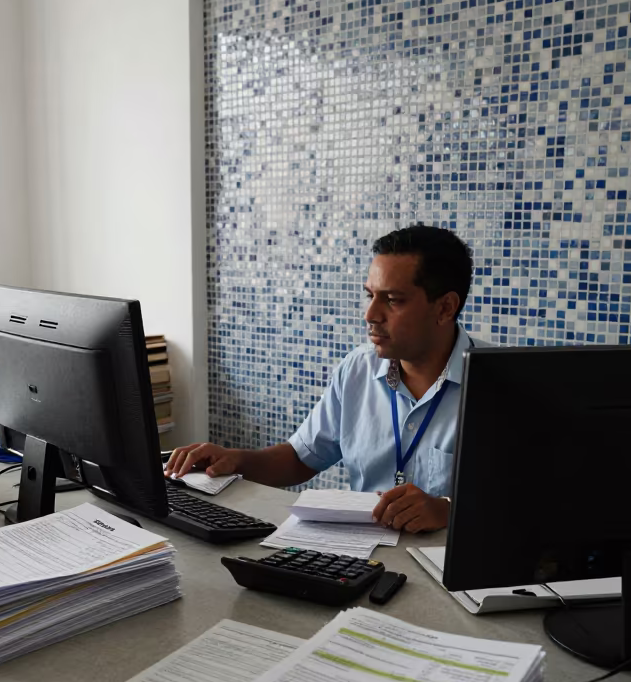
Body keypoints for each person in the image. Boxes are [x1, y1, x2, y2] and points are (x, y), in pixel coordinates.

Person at [165, 223, 476, 533]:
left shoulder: (503, 384)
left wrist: (448, 510)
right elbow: (299, 460)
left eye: (393, 300)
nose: (370, 314)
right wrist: (236, 461)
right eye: (370, 295)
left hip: (451, 570)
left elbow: (522, 503)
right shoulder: (357, 370)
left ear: (445, 307)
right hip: (366, 557)